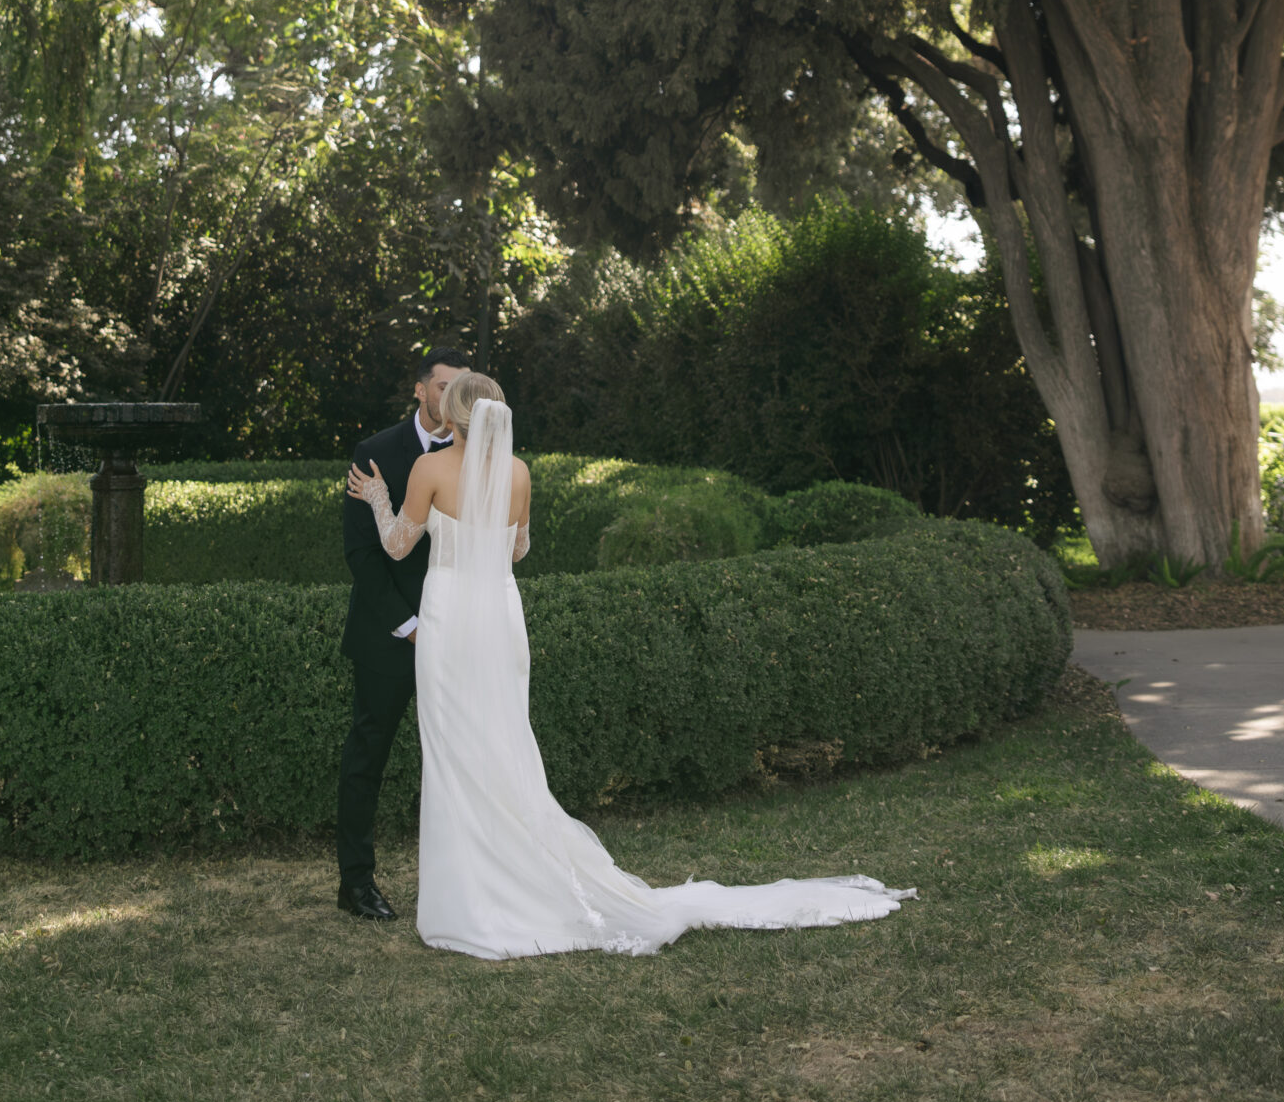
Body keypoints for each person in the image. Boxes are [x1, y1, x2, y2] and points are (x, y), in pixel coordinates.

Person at [347, 372, 917, 958]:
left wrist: (377, 499)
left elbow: (395, 546)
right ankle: (514, 877)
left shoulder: (429, 470)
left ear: (457, 415)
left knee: (456, 752)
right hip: (498, 618)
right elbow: (518, 549)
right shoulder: (517, 473)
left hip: (451, 620)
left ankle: (474, 896)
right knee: (504, 744)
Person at [335, 350, 466, 919]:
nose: (454, 398)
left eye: (463, 388)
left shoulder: (482, 457)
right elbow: (363, 555)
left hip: (458, 633)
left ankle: (463, 879)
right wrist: (411, 626)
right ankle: (355, 884)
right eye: (444, 387)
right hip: (391, 634)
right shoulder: (375, 453)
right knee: (369, 755)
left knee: (460, 758)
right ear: (419, 391)